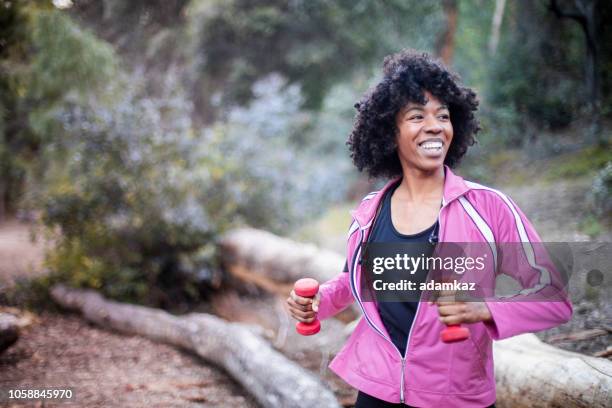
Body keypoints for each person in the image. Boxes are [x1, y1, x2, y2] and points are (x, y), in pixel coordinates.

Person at [286, 50, 572, 408]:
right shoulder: (369, 212)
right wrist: (317, 302)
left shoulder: (489, 208)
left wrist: (484, 309)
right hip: (377, 389)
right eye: (417, 116)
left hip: (453, 396)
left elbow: (554, 299)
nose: (435, 125)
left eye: (443, 116)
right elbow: (352, 282)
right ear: (390, 133)